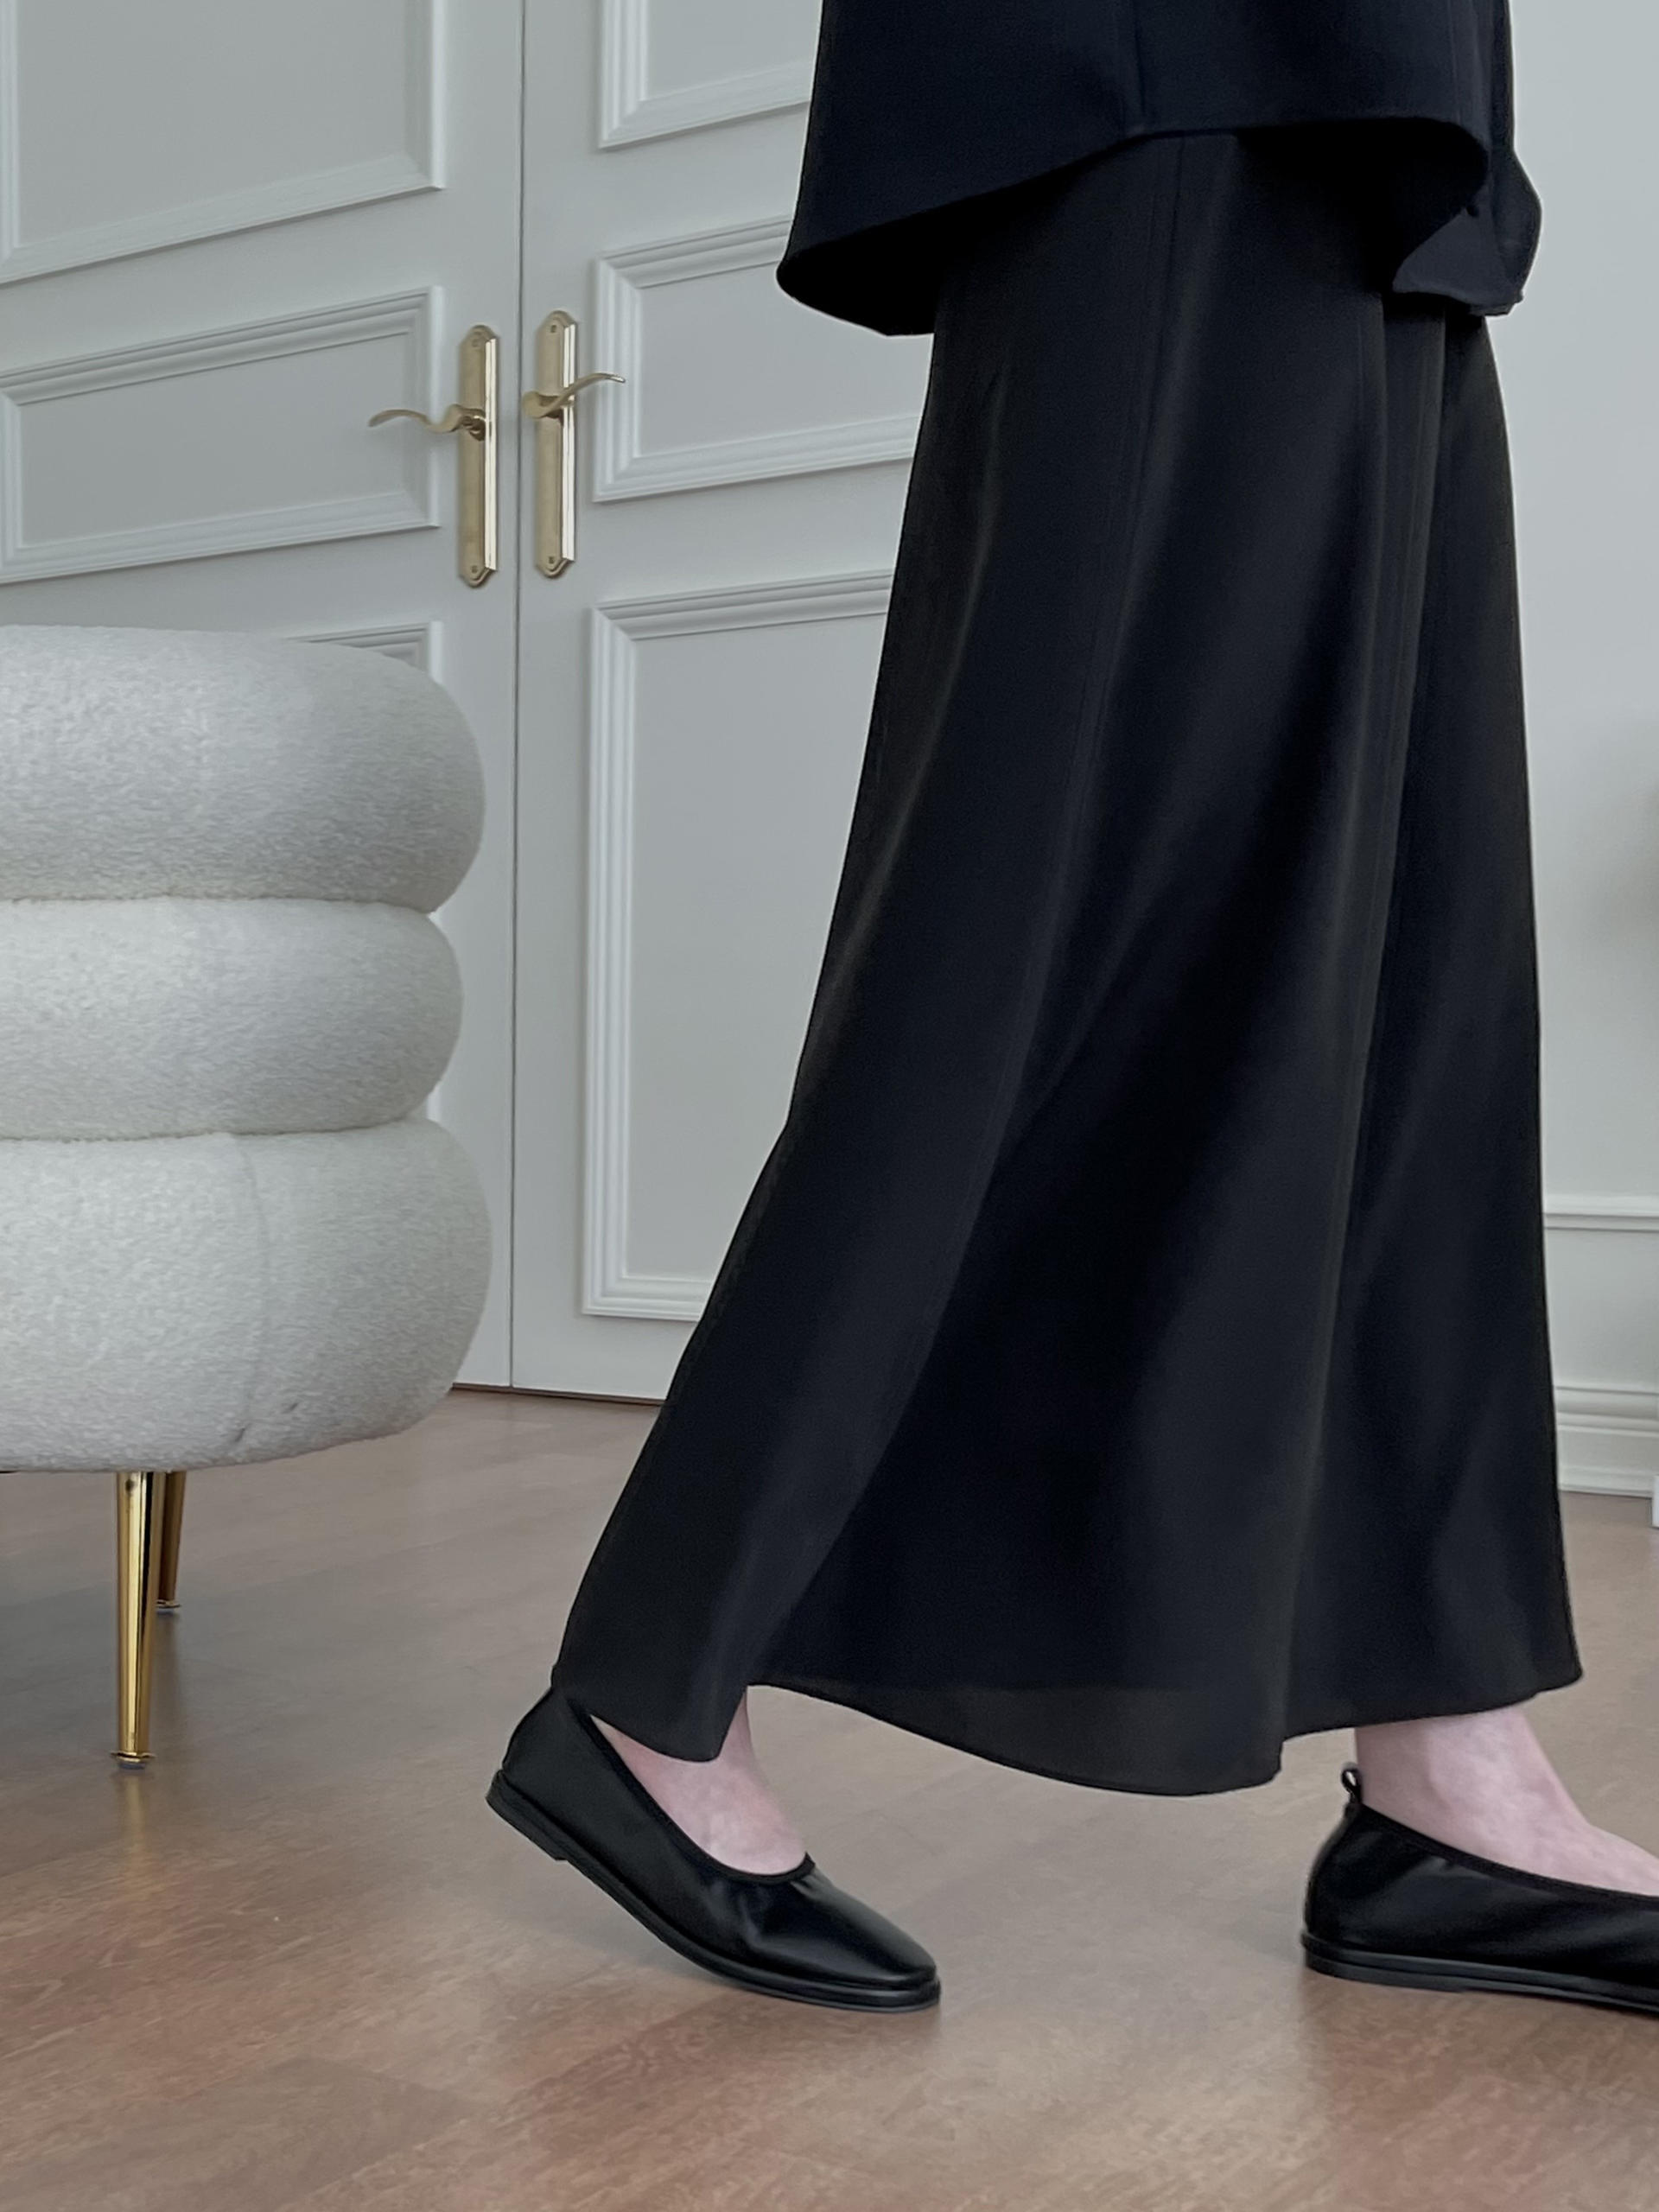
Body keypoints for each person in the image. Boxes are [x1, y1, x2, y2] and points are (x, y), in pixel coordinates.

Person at [490, 0, 1659, 2018]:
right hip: (1186, 82)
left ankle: (1451, 1758)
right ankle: (655, 1681)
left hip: (1373, 119)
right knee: (1037, 927)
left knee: (1406, 959)